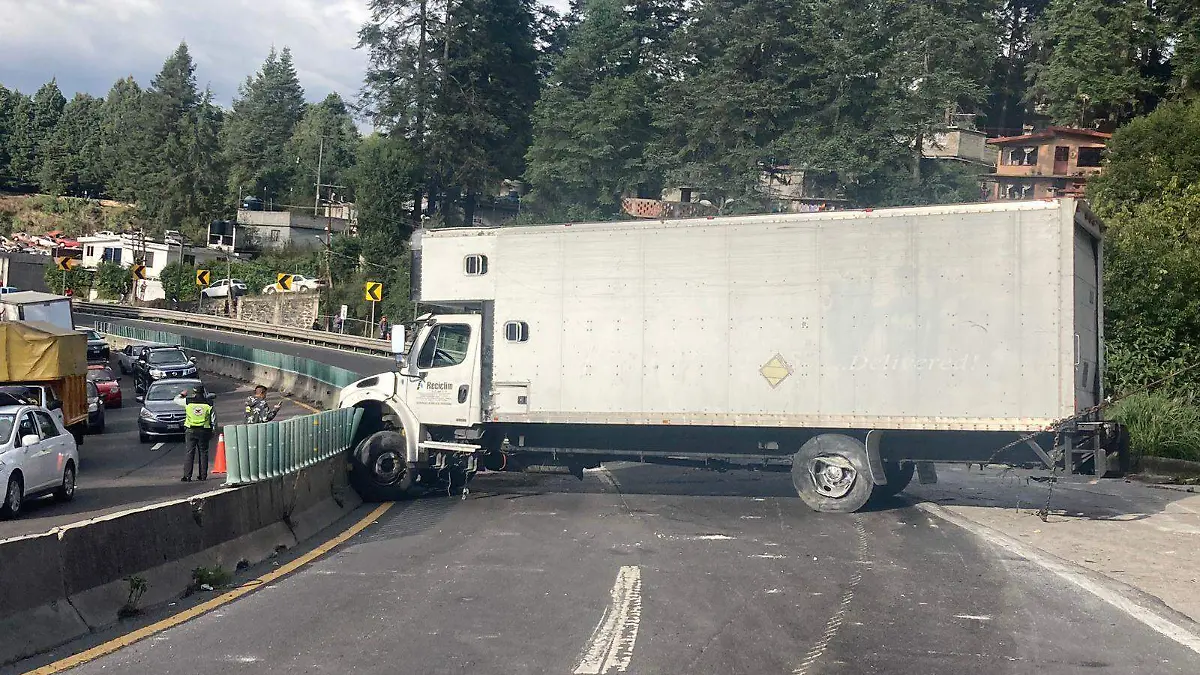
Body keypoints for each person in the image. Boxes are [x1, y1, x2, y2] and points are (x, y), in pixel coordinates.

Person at [174, 386, 215, 481]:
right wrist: (213, 431)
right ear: (203, 393)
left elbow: (176, 400)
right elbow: (213, 419)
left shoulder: (188, 401)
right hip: (204, 431)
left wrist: (182, 394)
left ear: (194, 393)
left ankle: (187, 476)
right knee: (203, 453)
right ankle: (203, 476)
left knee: (189, 453)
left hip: (190, 430)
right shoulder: (209, 403)